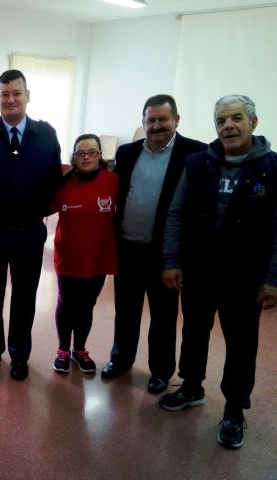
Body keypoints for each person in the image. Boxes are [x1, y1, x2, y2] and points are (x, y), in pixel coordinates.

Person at [158, 95, 277, 449]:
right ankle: (192, 386)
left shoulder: (272, 168)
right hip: (200, 270)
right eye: (221, 120)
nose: (228, 126)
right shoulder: (198, 164)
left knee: (241, 344)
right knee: (194, 332)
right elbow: (176, 213)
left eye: (236, 118)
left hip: (246, 277)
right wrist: (171, 260)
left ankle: (234, 409)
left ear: (253, 123)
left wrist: (273, 278)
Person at [0, 69, 63, 380]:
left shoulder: (46, 135)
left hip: (29, 232)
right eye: (5, 94)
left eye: (17, 93)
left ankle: (19, 355)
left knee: (24, 298)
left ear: (27, 96)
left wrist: (35, 208)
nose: (11, 99)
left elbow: (54, 182)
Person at [100, 94, 207, 395]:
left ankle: (161, 371)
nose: (157, 125)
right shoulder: (127, 152)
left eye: (163, 119)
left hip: (165, 254)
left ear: (176, 120)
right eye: (151, 120)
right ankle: (121, 359)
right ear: (143, 122)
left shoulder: (195, 154)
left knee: (163, 315)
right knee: (126, 310)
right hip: (128, 249)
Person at [51, 134, 119, 375]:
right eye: (81, 152)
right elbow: (42, 205)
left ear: (100, 156)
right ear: (74, 157)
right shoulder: (63, 183)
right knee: (66, 302)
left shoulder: (114, 181)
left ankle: (79, 349)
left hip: (98, 257)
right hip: (68, 255)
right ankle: (63, 349)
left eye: (92, 152)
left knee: (86, 305)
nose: (86, 157)